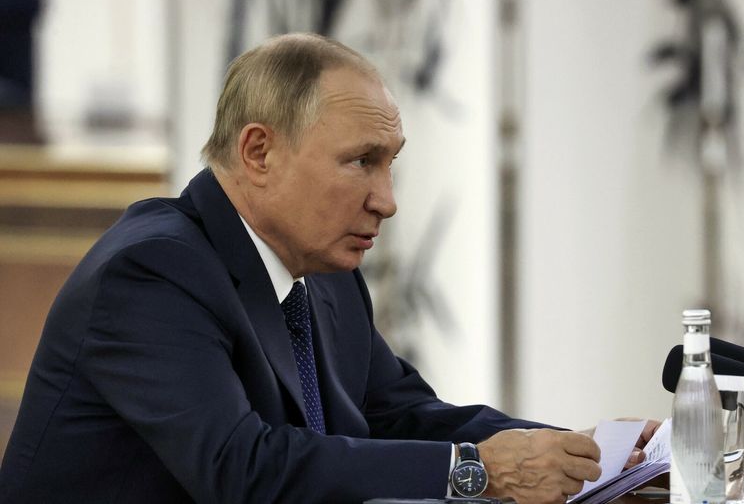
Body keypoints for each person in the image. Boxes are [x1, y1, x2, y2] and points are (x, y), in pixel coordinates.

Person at [0, 33, 656, 504]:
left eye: (390, 162)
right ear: (259, 151)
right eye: (360, 161)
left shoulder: (327, 274)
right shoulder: (152, 271)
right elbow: (241, 469)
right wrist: (477, 472)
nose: (387, 200)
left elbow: (402, 412)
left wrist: (584, 456)